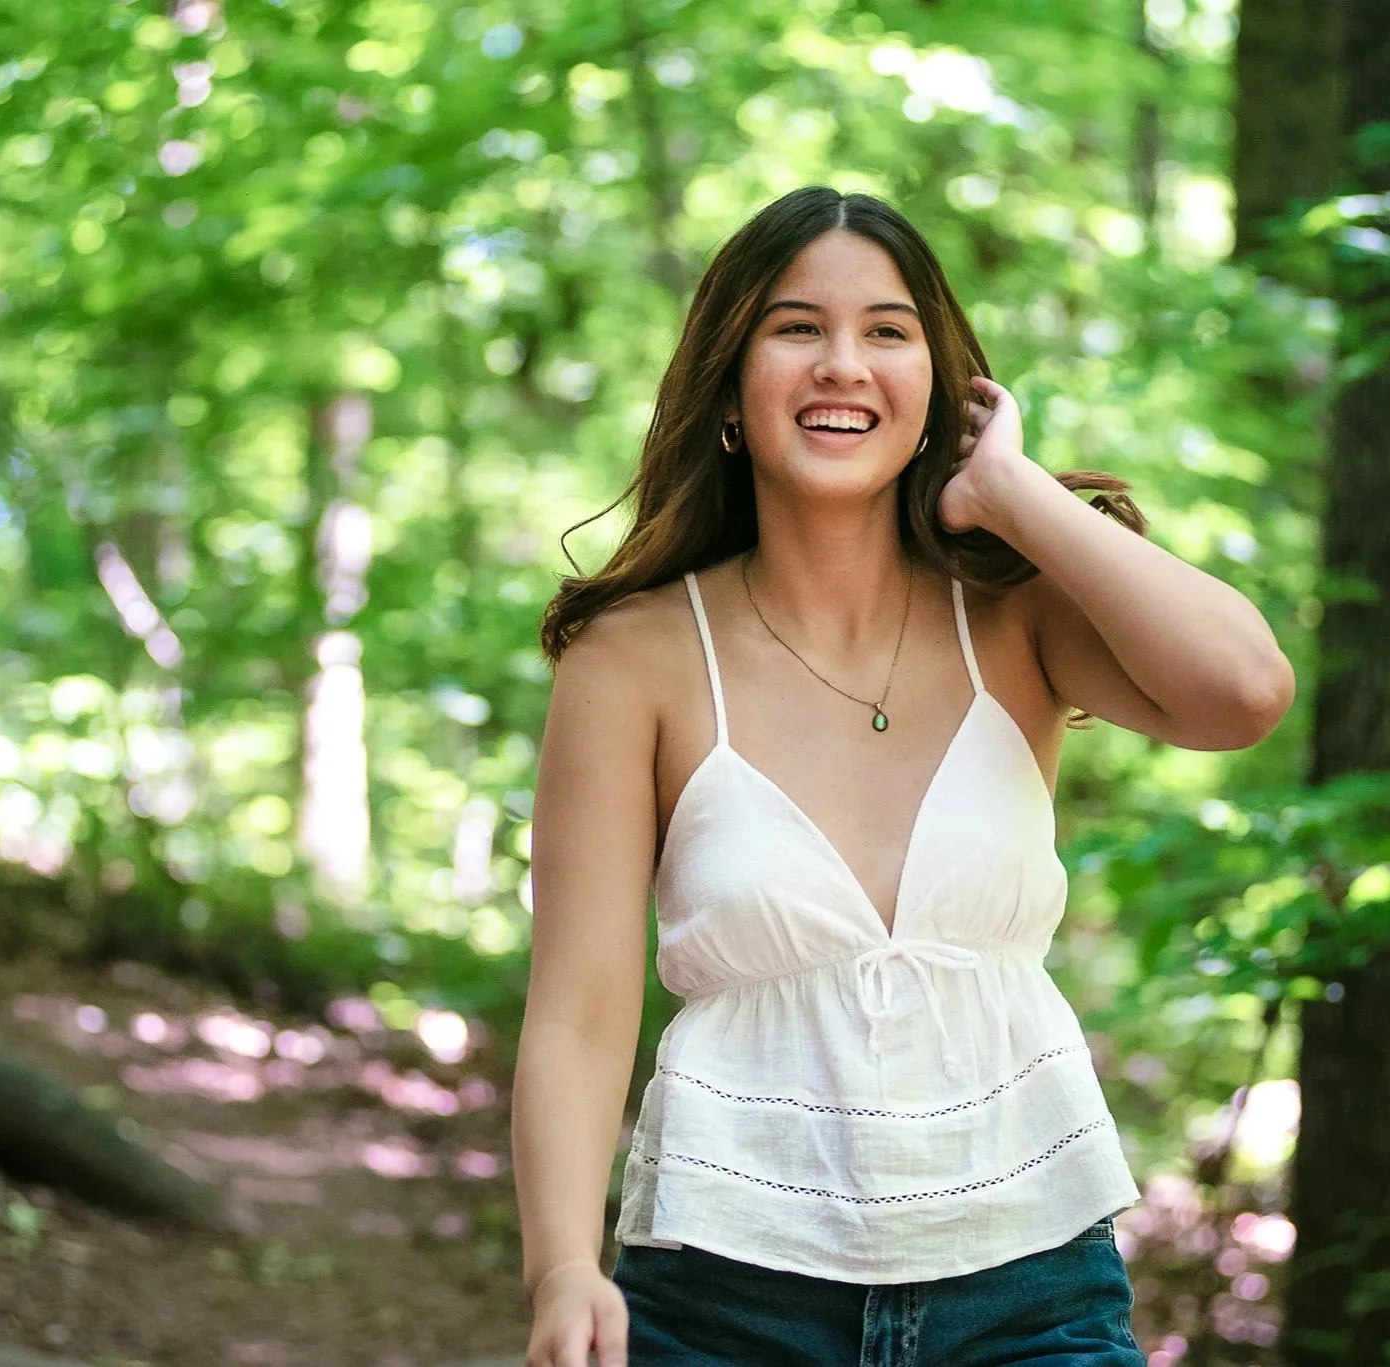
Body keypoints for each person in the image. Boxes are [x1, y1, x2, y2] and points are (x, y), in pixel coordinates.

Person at [513, 185, 1293, 1367]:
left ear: (936, 383)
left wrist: (1012, 494)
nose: (842, 364)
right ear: (729, 384)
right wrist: (563, 1266)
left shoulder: (1018, 613)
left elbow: (1241, 693)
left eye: (885, 331)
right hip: (728, 1292)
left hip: (1029, 1288)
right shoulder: (635, 657)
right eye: (794, 327)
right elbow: (577, 1012)